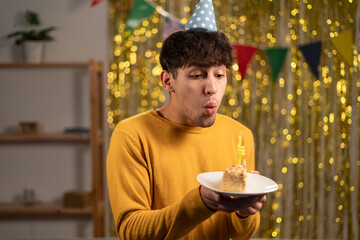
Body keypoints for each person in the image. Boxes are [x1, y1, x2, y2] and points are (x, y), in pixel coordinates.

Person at [107, 1, 266, 239]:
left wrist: (245, 213)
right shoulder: (132, 135)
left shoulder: (239, 135)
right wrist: (201, 202)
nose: (212, 87)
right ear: (168, 81)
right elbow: (131, 231)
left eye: (219, 75)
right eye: (197, 75)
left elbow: (240, 234)